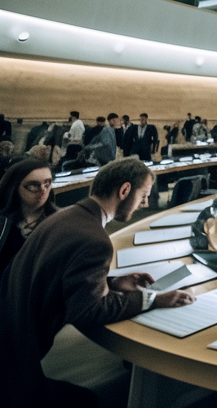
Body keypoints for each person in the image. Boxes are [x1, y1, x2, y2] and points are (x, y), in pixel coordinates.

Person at [0, 158, 195, 407]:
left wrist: (112, 283)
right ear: (124, 191)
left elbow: (64, 279)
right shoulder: (94, 239)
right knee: (89, 403)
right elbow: (87, 311)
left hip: (9, 336)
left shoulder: (66, 216)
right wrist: (154, 299)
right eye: (144, 195)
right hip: (13, 369)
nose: (146, 203)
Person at [0, 158, 58, 276]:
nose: (43, 189)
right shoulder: (4, 224)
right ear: (15, 187)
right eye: (33, 185)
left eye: (47, 183)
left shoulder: (59, 220)